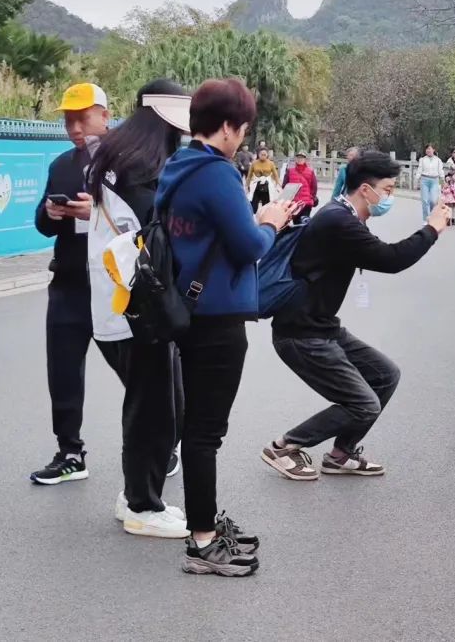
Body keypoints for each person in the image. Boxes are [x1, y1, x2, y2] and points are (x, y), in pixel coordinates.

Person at [156, 78, 295, 576]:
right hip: (216, 317)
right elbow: (250, 246)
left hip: (191, 310)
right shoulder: (216, 173)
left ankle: (205, 522)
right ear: (229, 127)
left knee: (200, 426)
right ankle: (202, 541)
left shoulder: (177, 165)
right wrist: (271, 219)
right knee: (205, 431)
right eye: (243, 127)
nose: (242, 137)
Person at [260, 152, 449, 482]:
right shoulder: (339, 221)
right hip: (301, 333)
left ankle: (340, 454)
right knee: (363, 403)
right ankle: (284, 446)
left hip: (320, 326)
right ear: (366, 189)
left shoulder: (342, 215)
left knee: (385, 375)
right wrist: (431, 230)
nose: (389, 196)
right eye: (388, 190)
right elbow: (391, 259)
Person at [86, 79, 191, 537]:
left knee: (160, 403)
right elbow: (163, 230)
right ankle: (141, 506)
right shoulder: (142, 168)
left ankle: (135, 493)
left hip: (115, 303)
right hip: (135, 308)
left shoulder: (116, 157)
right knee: (153, 408)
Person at [30, 83, 111, 485]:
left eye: (83, 118)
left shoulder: (130, 161)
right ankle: (70, 451)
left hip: (117, 289)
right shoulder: (61, 163)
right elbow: (43, 226)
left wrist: (91, 213)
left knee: (142, 374)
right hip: (69, 284)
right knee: (62, 372)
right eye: (67, 120)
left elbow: (145, 220)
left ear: (105, 117)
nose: (75, 127)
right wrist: (52, 212)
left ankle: (162, 444)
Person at [283, 151, 319, 223]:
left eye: (302, 158)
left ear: (305, 160)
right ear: (296, 159)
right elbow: (285, 185)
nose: (300, 159)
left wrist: (311, 197)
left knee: (304, 222)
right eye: (298, 158)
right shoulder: (290, 171)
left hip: (306, 202)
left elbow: (314, 186)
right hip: (294, 203)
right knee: (296, 222)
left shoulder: (310, 171)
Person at [246, 147, 279, 213]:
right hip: (256, 185)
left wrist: (277, 185)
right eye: (261, 154)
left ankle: (264, 219)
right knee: (253, 204)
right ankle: (253, 219)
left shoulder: (271, 163)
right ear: (258, 154)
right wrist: (247, 185)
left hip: (267, 185)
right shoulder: (254, 163)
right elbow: (249, 175)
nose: (263, 156)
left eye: (265, 154)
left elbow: (276, 175)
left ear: (267, 155)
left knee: (266, 205)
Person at [417, 144, 443, 222]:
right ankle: (425, 219)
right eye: (427, 149)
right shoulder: (422, 159)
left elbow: (440, 171)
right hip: (424, 180)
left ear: (433, 150)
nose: (428, 150)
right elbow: (419, 169)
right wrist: (417, 179)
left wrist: (442, 181)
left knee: (433, 200)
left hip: (434, 180)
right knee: (425, 200)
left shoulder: (438, 160)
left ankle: (432, 216)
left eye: (430, 149)